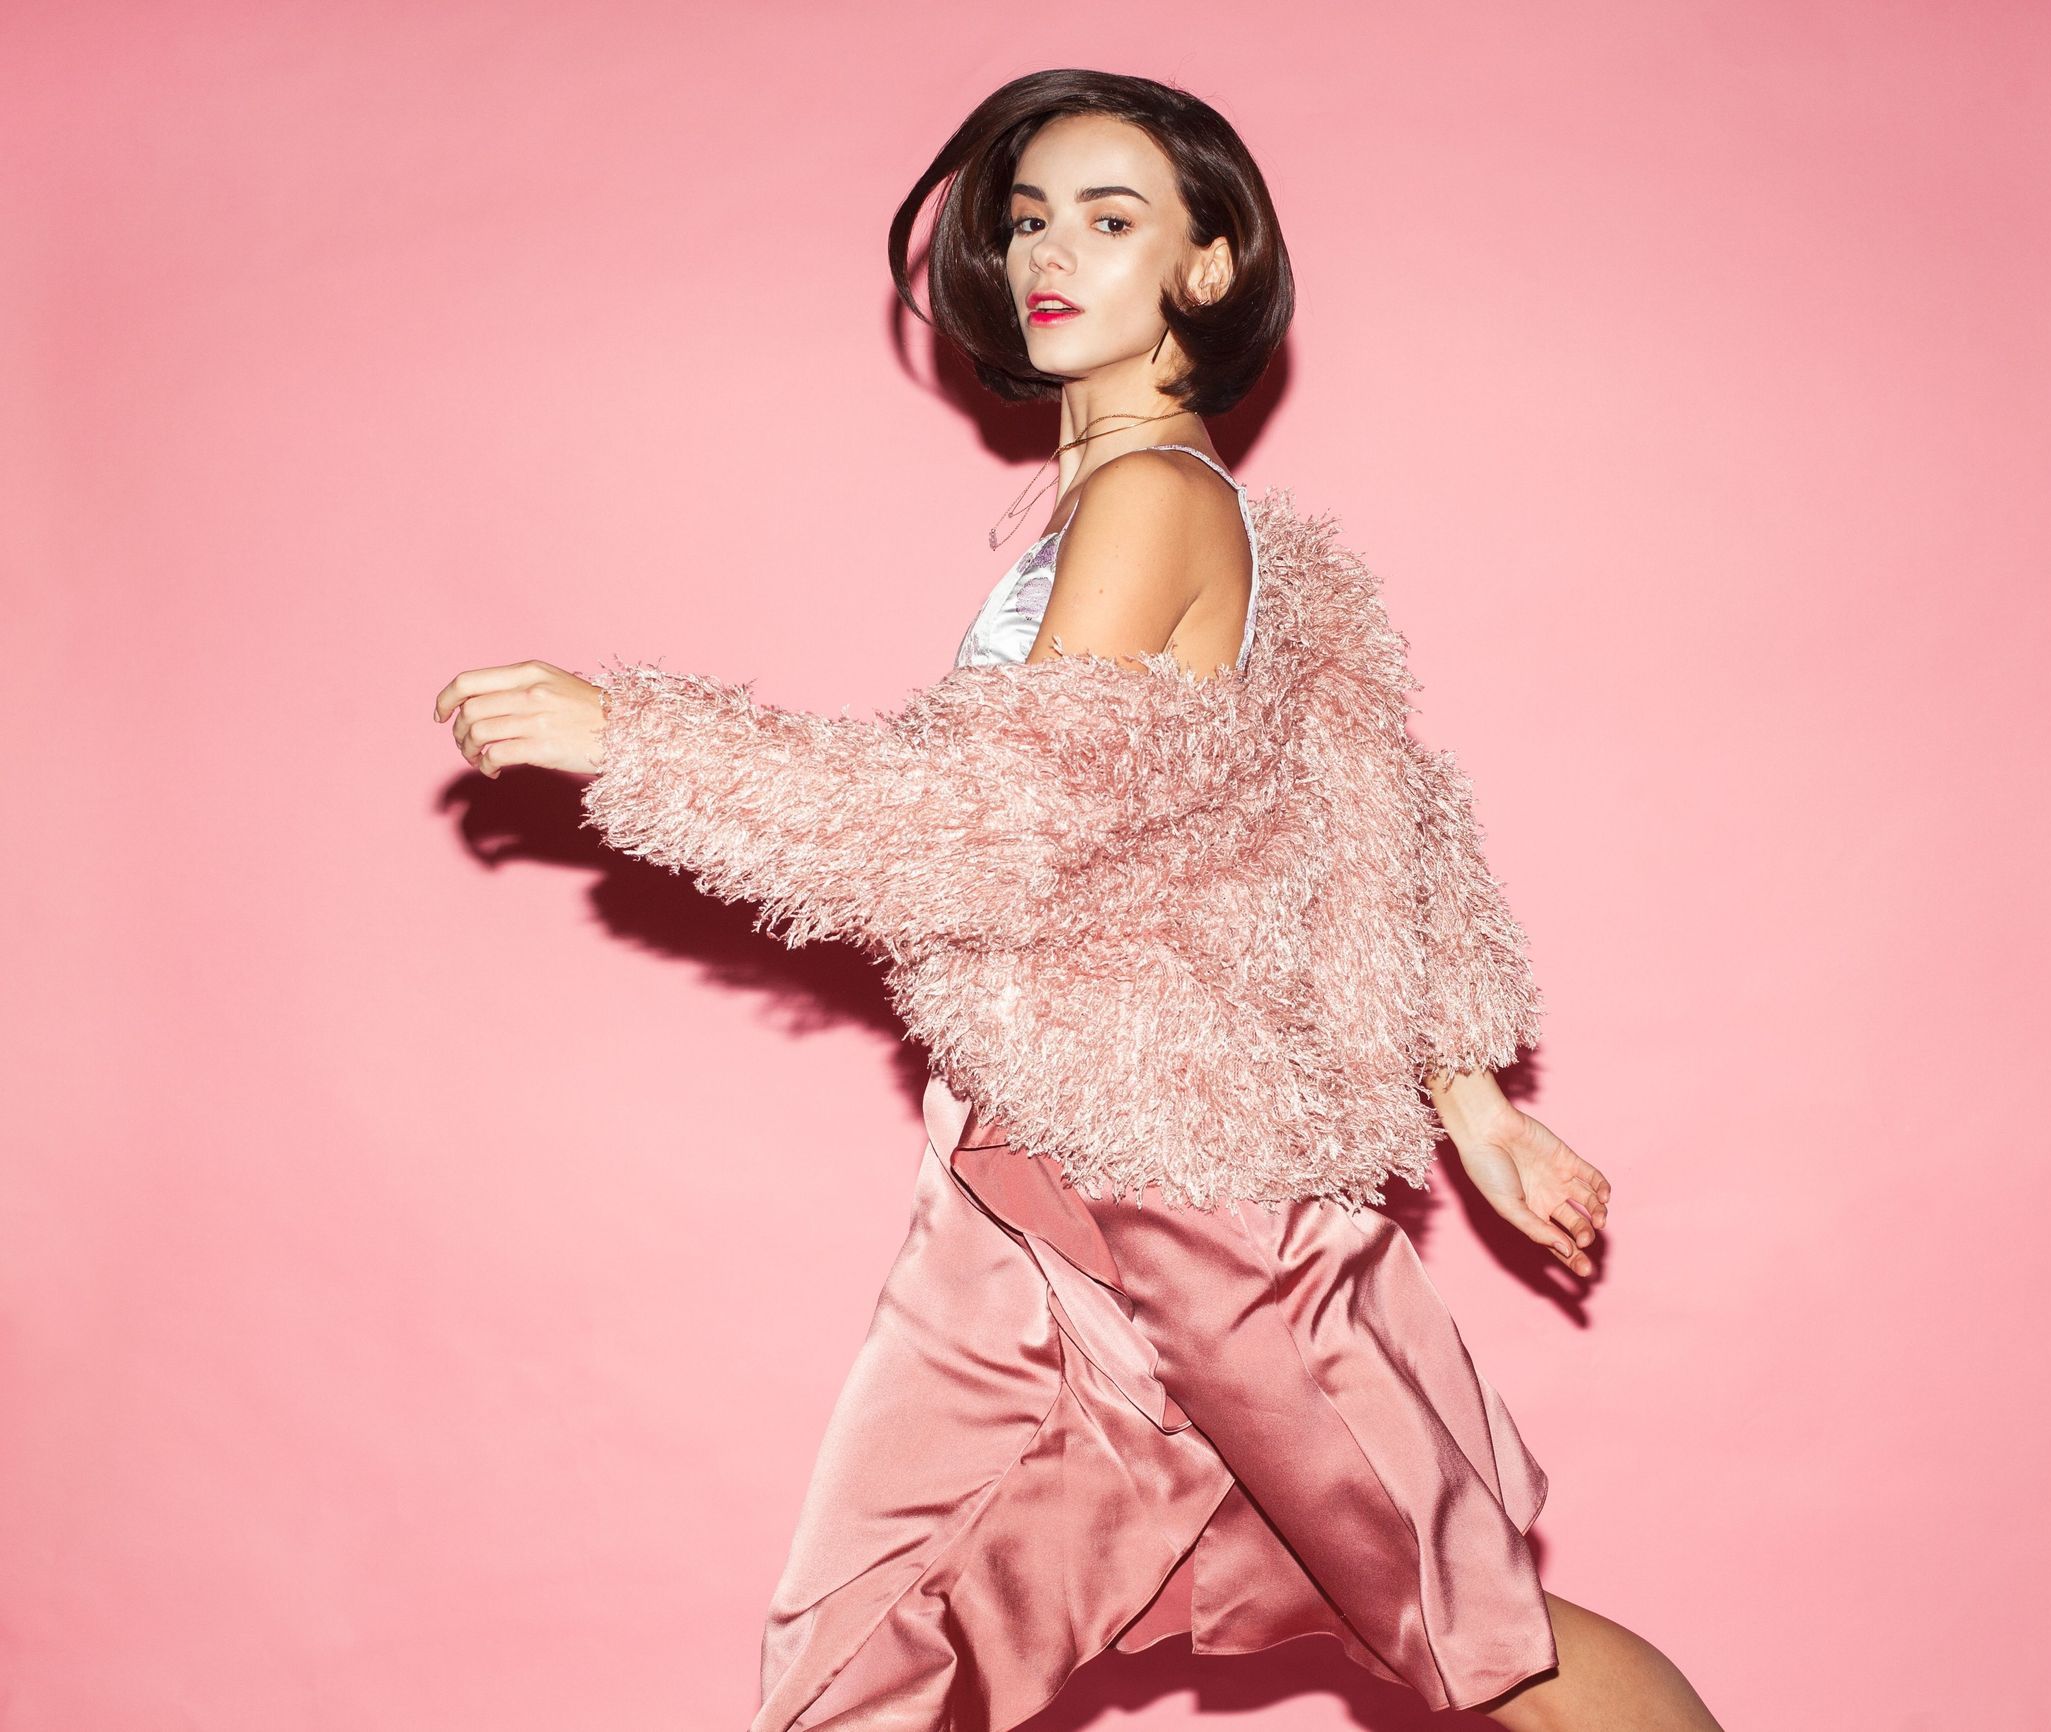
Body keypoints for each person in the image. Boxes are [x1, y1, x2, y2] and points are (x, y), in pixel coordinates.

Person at [433, 68, 1723, 1732]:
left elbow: (989, 822)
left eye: (1111, 219)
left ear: (1208, 261)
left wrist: (633, 737)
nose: (1049, 252)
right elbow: (1367, 817)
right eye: (1030, 216)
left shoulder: (1152, 501)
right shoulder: (1172, 519)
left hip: (1183, 1195)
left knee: (1481, 1641)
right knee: (873, 1648)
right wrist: (1475, 1106)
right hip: (1032, 1174)